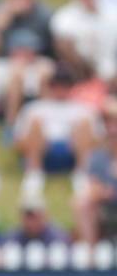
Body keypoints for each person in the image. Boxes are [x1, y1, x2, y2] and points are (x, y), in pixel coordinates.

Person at [14, 65, 98, 195]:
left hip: (72, 153)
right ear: (50, 86)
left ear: (71, 87)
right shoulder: (34, 108)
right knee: (36, 122)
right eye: (57, 85)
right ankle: (34, 174)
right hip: (43, 152)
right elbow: (19, 140)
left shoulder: (84, 110)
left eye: (65, 85)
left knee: (84, 124)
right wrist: (41, 143)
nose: (61, 89)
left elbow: (97, 140)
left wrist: (76, 141)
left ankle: (82, 174)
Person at [50, 0, 117, 82]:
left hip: (110, 68)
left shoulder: (112, 14)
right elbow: (63, 47)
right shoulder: (65, 17)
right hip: (80, 71)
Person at [74, 97, 117, 243]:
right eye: (109, 123)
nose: (113, 128)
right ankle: (90, 255)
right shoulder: (98, 157)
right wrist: (103, 192)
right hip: (106, 207)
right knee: (82, 203)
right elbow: (94, 187)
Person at [2, 193, 70, 246]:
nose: (30, 222)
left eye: (33, 216)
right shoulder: (13, 237)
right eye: (27, 216)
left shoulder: (57, 237)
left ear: (44, 216)